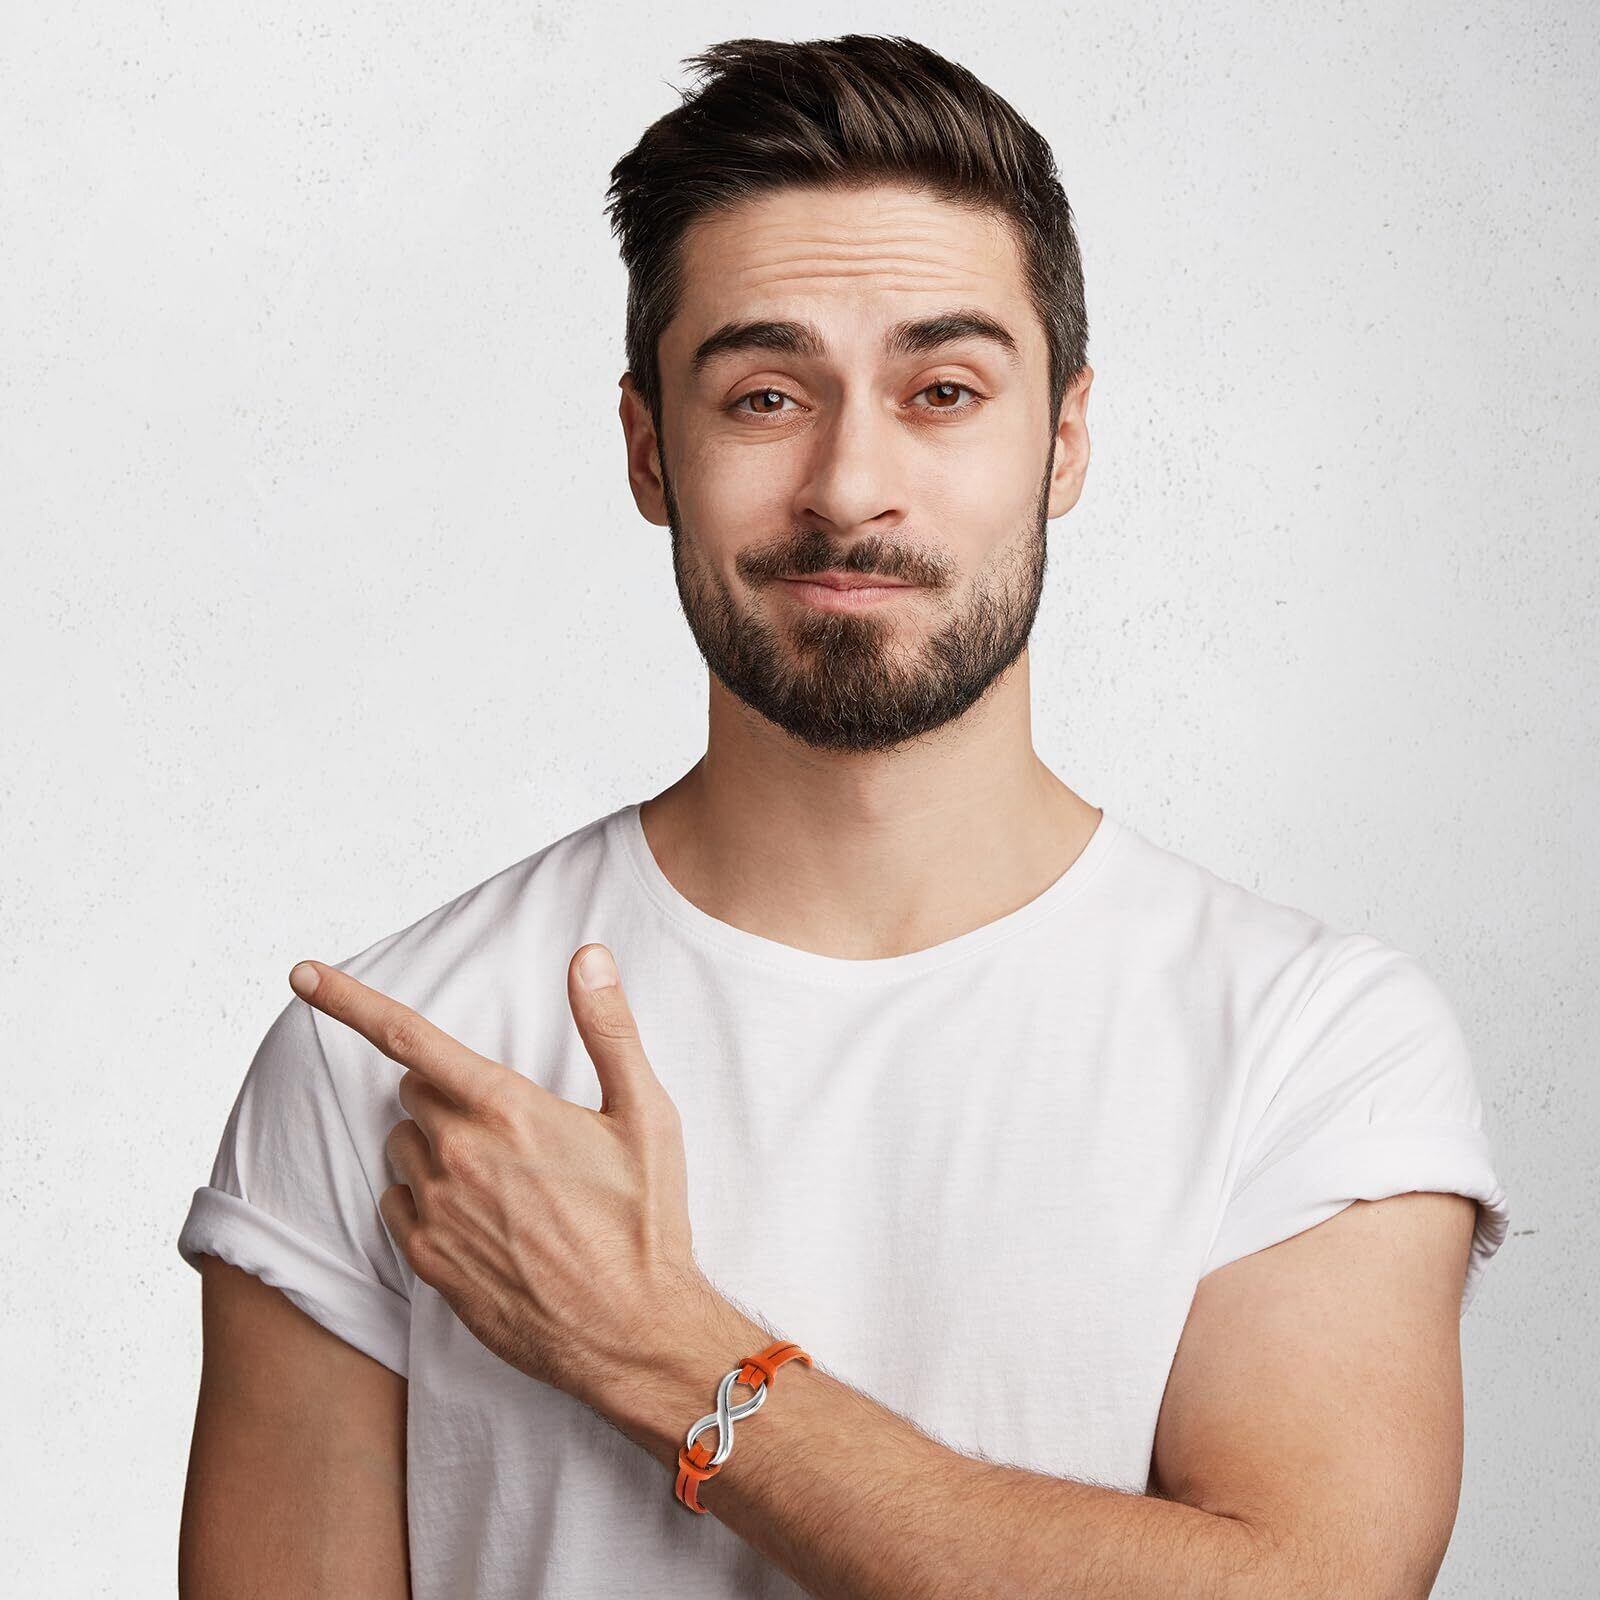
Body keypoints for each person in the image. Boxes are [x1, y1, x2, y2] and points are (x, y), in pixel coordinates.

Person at [176, 33, 1509, 1600]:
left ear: (1065, 439)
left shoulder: (1310, 1044)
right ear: (648, 450)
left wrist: (656, 1346)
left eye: (943, 391)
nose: (849, 484)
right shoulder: (391, 1060)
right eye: (764, 395)